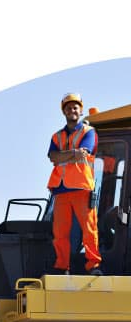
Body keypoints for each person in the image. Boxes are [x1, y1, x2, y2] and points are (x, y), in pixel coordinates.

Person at [47, 92, 102, 275]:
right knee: (60, 232)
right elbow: (52, 157)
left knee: (89, 228)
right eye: (69, 107)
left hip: (81, 187)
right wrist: (73, 153)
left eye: (75, 107)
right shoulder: (57, 136)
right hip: (60, 189)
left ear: (81, 110)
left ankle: (93, 264)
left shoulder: (89, 132)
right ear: (64, 112)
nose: (72, 110)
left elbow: (83, 152)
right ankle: (62, 265)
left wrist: (63, 155)